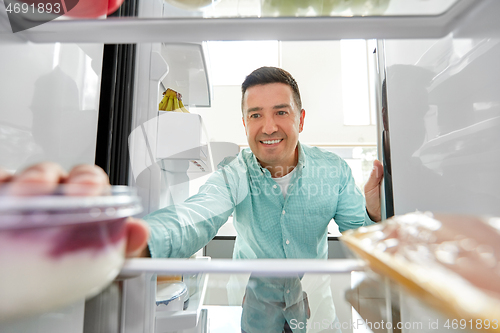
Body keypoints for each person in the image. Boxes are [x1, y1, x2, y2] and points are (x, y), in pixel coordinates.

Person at [142, 67, 384, 332]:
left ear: (300, 120)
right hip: (250, 308)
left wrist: (373, 214)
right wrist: (142, 239)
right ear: (245, 124)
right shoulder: (234, 170)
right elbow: (199, 214)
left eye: (281, 112)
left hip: (314, 311)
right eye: (256, 115)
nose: (269, 127)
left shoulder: (333, 170)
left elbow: (362, 241)